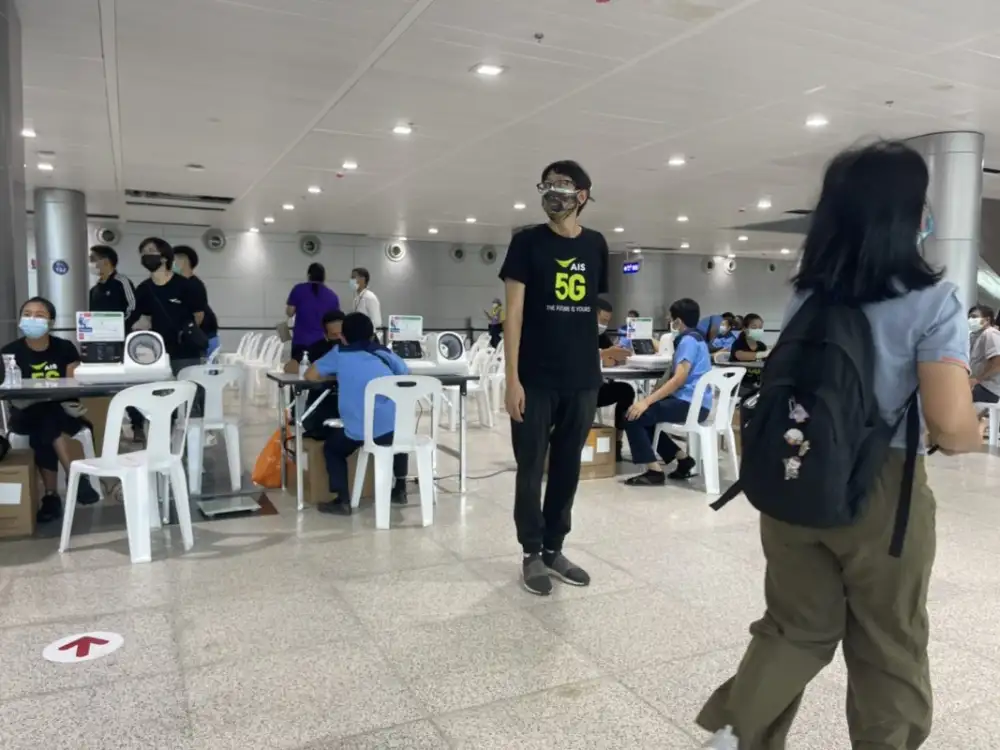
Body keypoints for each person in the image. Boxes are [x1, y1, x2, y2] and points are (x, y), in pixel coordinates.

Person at [698, 141, 982, 750]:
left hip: (791, 473)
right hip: (882, 491)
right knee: (888, 641)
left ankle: (735, 732)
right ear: (906, 216)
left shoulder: (807, 294)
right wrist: (971, 427)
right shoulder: (934, 301)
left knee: (794, 628)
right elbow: (953, 428)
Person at [501, 158, 608, 596]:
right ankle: (531, 551)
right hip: (535, 377)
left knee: (568, 466)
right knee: (531, 467)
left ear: (582, 195)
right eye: (547, 184)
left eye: (562, 185)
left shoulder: (596, 244)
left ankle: (554, 548)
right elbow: (513, 315)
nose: (553, 192)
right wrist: (512, 379)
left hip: (582, 377)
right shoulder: (527, 243)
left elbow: (590, 311)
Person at [1, 297, 100, 522]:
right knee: (45, 417)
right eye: (27, 314)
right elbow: (8, 393)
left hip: (63, 413)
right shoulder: (9, 353)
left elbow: (72, 387)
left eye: (39, 315)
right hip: (25, 415)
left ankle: (51, 496)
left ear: (51, 322)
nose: (32, 319)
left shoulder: (64, 348)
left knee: (47, 420)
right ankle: (76, 476)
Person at [305, 313, 409, 515]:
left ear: (342, 337)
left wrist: (337, 375)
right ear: (372, 335)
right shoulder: (383, 352)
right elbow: (404, 372)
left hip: (358, 431)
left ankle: (342, 500)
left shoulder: (339, 354)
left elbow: (310, 375)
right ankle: (400, 489)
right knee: (396, 432)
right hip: (388, 430)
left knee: (333, 449)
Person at [622, 298, 711, 487]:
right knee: (647, 418)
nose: (669, 322)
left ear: (678, 321)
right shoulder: (698, 339)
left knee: (632, 415)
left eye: (671, 318)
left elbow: (679, 379)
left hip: (689, 404)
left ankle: (654, 471)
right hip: (699, 404)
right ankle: (683, 458)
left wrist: (646, 401)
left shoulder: (688, 341)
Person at [134, 238, 207, 416]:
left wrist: (185, 334)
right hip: (158, 354)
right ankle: (167, 429)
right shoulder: (143, 289)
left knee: (189, 397)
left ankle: (192, 430)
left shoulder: (186, 285)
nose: (146, 256)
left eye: (150, 251)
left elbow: (199, 314)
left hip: (185, 351)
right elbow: (145, 318)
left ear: (164, 257)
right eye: (143, 253)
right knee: (162, 398)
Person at [88, 244, 143, 441]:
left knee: (126, 384)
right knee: (103, 384)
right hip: (98, 344)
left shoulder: (121, 282)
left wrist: (119, 326)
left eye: (93, 259)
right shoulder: (95, 289)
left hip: (120, 342)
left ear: (106, 260)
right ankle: (108, 425)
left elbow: (133, 306)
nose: (91, 264)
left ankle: (137, 424)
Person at [595, 298, 635, 461]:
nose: (604, 325)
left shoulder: (602, 336)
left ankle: (617, 443)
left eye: (607, 321)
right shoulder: (577, 334)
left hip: (598, 387)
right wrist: (604, 355)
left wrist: (616, 356)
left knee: (626, 391)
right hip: (579, 390)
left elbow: (612, 358)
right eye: (603, 320)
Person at [286, 263, 340, 364]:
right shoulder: (332, 296)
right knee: (319, 371)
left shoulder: (298, 289)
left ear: (309, 275)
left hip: (300, 340)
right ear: (324, 277)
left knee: (297, 370)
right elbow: (335, 321)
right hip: (322, 343)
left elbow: (290, 312)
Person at [172, 245, 220, 359]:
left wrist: (186, 337)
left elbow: (199, 315)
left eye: (173, 260)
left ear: (184, 261)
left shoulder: (194, 285)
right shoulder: (180, 284)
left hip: (203, 337)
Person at [968, 304, 1000, 404]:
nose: (970, 320)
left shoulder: (990, 333)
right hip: (981, 385)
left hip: (987, 388)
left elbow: (998, 362)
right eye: (969, 317)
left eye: (974, 317)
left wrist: (977, 379)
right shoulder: (977, 336)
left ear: (987, 320)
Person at [729, 312, 768, 395]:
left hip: (757, 384)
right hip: (739, 384)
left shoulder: (762, 346)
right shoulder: (738, 343)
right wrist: (760, 355)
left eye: (760, 328)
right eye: (754, 327)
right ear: (745, 329)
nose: (758, 330)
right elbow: (740, 355)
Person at [350, 267, 382, 332]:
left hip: (368, 336)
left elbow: (377, 323)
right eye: (351, 278)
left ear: (363, 279)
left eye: (353, 278)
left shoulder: (370, 297)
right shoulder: (356, 299)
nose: (351, 281)